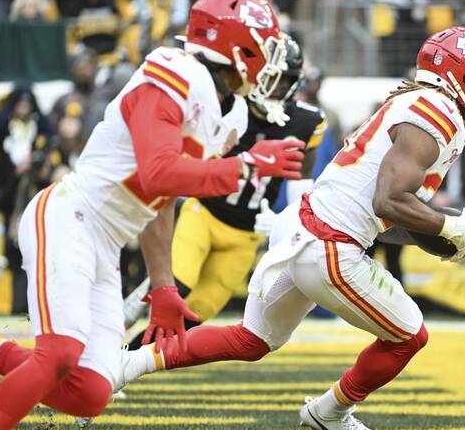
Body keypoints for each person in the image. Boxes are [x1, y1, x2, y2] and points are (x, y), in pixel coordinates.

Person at [0, 0, 304, 430]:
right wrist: (243, 166)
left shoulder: (234, 115)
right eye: (264, 46)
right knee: (59, 354)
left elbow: (163, 200)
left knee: (91, 390)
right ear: (235, 45)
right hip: (70, 215)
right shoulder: (174, 70)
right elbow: (159, 172)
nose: (269, 62)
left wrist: (163, 289)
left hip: (107, 240)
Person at [116, 26, 465, 430]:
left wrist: (447, 235)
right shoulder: (438, 113)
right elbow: (389, 201)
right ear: (463, 78)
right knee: (410, 336)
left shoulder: (414, 104)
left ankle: (124, 365)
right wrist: (447, 226)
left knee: (252, 339)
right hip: (331, 246)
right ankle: (331, 411)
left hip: (305, 230)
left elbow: (390, 219)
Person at [126, 35, 327, 346]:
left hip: (246, 235)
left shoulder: (307, 121)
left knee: (193, 315)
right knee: (177, 286)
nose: (270, 87)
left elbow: (301, 180)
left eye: (279, 80)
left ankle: (125, 361)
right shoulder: (231, 106)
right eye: (266, 77)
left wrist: (288, 225)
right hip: (204, 212)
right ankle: (134, 307)